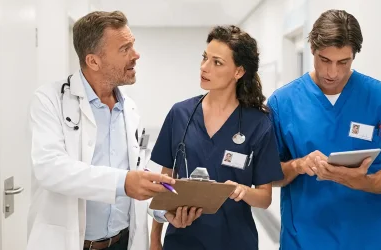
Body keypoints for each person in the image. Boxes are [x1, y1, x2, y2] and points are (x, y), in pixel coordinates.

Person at [268, 9, 381, 250]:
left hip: (373, 239)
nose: (332, 73)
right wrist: (297, 165)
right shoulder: (282, 103)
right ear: (312, 50)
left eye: (343, 62)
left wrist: (363, 181)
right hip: (306, 239)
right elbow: (268, 177)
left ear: (354, 56)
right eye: (324, 60)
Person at [27, 11, 175, 250]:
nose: (136, 55)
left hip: (123, 241)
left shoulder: (130, 109)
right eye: (125, 49)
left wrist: (164, 212)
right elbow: (50, 168)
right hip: (73, 243)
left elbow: (137, 178)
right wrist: (124, 182)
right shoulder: (49, 100)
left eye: (133, 46)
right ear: (93, 61)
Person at [148, 25, 284, 250]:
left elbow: (264, 197)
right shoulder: (180, 114)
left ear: (238, 72)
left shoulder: (258, 123)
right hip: (182, 240)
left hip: (235, 242)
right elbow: (166, 183)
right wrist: (155, 239)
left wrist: (242, 191)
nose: (204, 67)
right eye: (204, 58)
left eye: (217, 62)